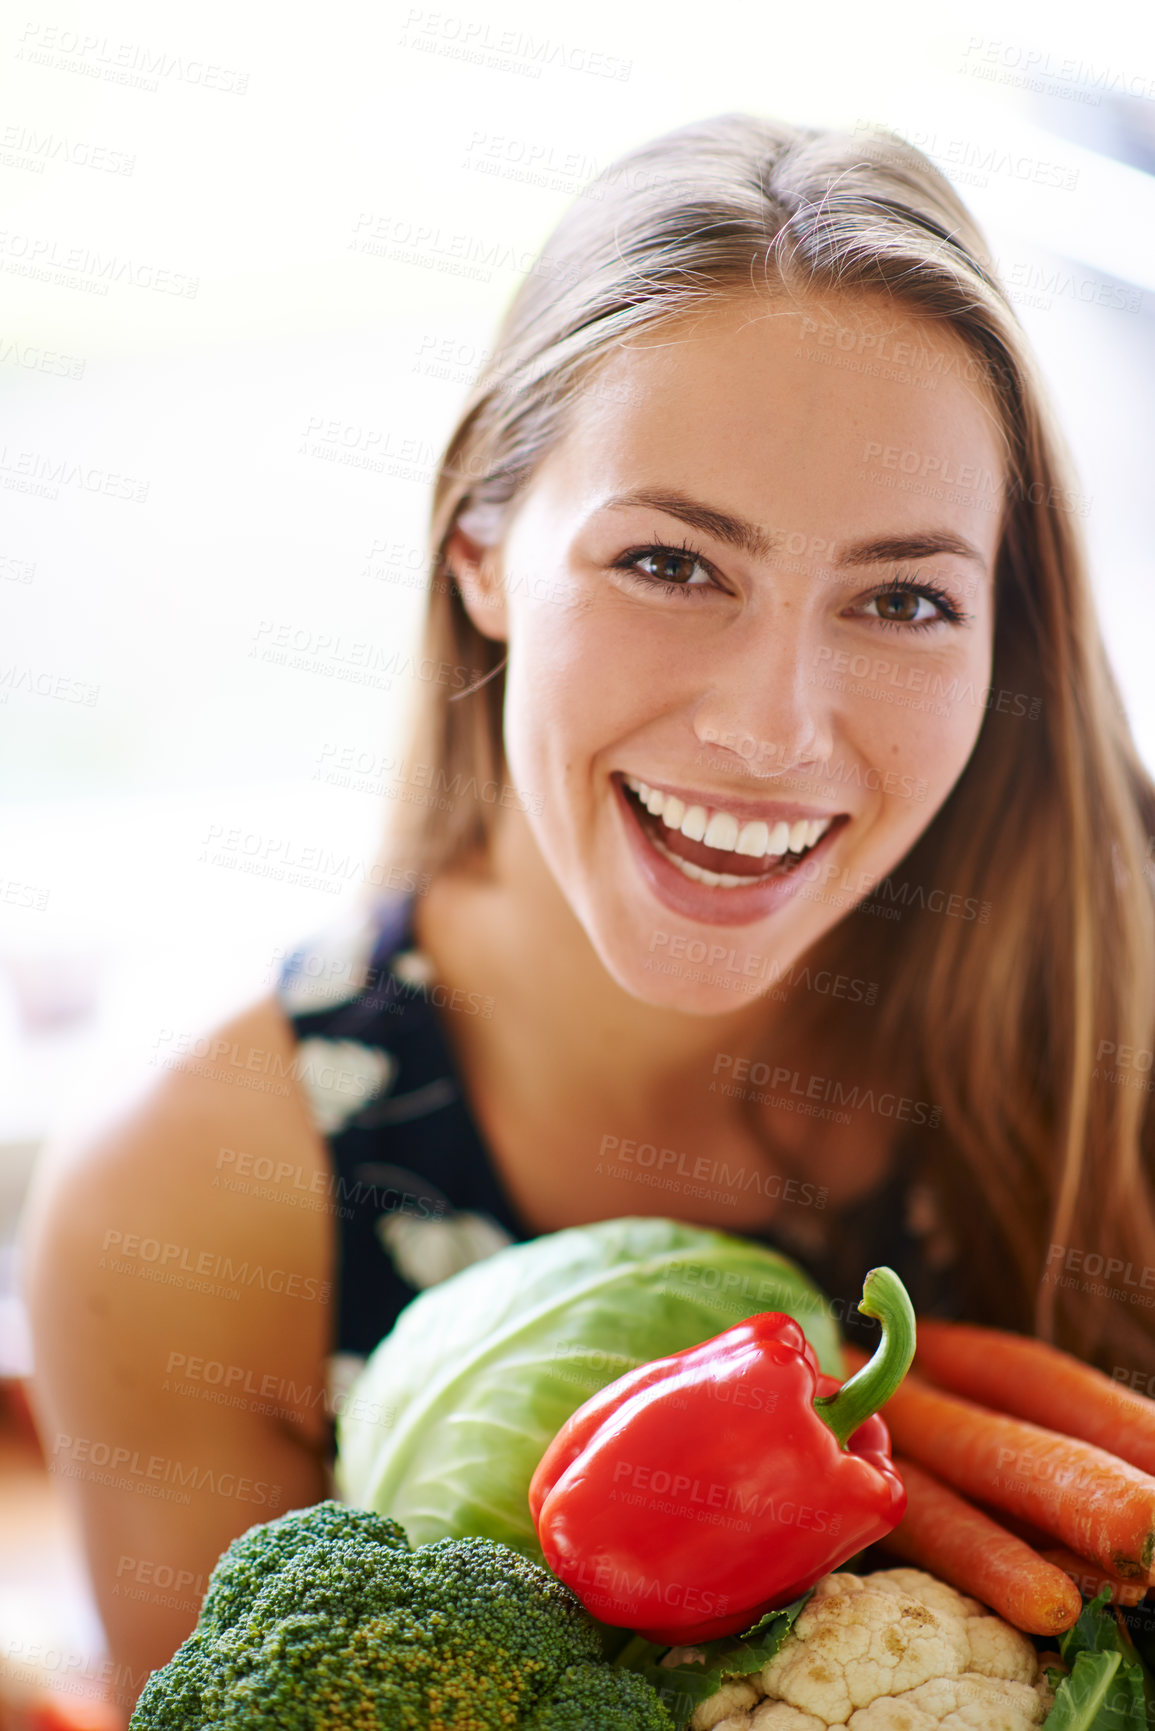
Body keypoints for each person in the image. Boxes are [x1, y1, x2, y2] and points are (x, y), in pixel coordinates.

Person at [22, 112, 1155, 1719]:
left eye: (903, 599)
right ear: (484, 551)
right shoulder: (195, 1196)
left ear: (1002, 636)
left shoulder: (1131, 1030)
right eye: (673, 563)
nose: (776, 727)